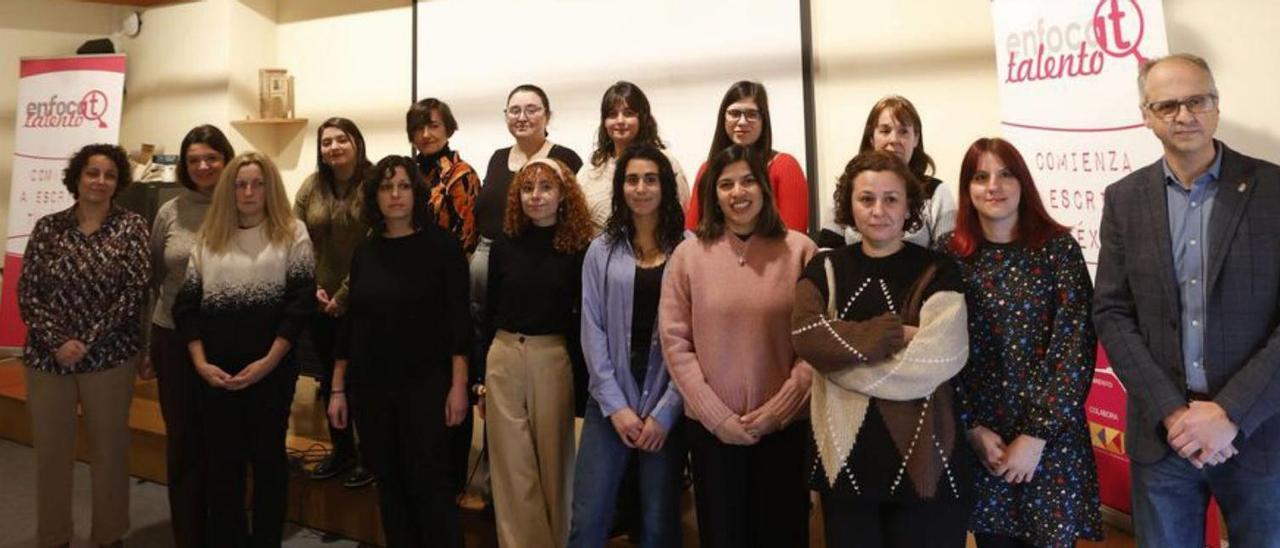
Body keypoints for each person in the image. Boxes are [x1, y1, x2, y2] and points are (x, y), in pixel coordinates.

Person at [1094, 53, 1280, 547]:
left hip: (1259, 434)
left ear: (1216, 106)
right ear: (1147, 114)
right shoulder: (1124, 199)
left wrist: (1229, 414)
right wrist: (1175, 414)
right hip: (1163, 439)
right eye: (1168, 104)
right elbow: (1111, 312)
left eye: (1197, 100)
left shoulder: (1274, 190)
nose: (1184, 115)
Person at [791, 150, 971, 548]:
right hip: (845, 461)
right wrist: (893, 333)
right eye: (866, 199)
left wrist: (839, 361)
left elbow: (941, 357)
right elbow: (807, 338)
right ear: (848, 205)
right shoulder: (824, 269)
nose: (878, 210)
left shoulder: (940, 270)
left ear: (909, 205)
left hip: (927, 461)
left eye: (891, 198)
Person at [940, 138, 1102, 547]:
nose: (993, 186)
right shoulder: (950, 256)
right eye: (980, 177)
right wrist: (971, 428)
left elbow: (1076, 347)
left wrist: (1036, 436)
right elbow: (939, 351)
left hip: (1050, 444)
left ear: (1022, 183)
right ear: (967, 189)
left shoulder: (1057, 249)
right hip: (984, 443)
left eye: (1005, 174)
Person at [660, 144, 816, 548]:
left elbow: (816, 347)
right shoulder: (687, 255)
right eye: (725, 184)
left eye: (748, 180)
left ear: (764, 188)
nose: (737, 192)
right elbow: (676, 344)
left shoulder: (800, 251)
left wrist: (778, 413)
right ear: (713, 194)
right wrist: (717, 417)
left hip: (785, 432)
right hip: (713, 434)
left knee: (783, 533)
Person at [326, 156, 470, 547]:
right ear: (374, 196)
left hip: (427, 385)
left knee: (431, 487)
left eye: (404, 186)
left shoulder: (443, 247)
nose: (395, 195)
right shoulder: (366, 250)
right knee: (389, 484)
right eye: (386, 187)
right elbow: (352, 322)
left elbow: (459, 323)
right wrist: (338, 388)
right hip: (372, 387)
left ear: (416, 193)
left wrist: (459, 387)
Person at [173, 151, 314, 548]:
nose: (249, 191)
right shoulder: (210, 237)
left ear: (270, 188)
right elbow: (187, 307)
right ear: (229, 189)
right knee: (223, 466)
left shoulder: (292, 232)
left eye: (257, 183)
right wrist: (201, 364)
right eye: (240, 183)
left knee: (269, 463)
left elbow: (299, 305)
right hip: (216, 375)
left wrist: (268, 362)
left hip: (271, 372)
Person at [18, 143, 150, 548]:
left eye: (109, 175)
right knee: (51, 454)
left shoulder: (132, 228)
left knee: (110, 452)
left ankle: (109, 535)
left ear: (119, 182)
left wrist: (87, 342)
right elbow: (29, 292)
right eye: (92, 172)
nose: (100, 181)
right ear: (77, 177)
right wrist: (59, 341)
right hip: (47, 357)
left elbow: (134, 292)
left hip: (109, 358)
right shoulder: (47, 227)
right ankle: (54, 536)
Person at [568, 146, 688, 548]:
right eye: (632, 179)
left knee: (658, 525)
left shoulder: (688, 250)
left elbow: (697, 339)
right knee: (589, 519)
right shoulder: (600, 250)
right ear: (620, 188)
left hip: (667, 407)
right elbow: (592, 328)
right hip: (608, 403)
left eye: (650, 179)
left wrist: (666, 413)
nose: (640, 188)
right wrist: (616, 407)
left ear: (665, 187)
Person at [479, 158, 594, 548]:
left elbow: (583, 320)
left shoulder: (580, 248)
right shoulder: (505, 244)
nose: (537, 196)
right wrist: (482, 377)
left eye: (546, 187)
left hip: (553, 357)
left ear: (564, 195)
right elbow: (490, 309)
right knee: (512, 466)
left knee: (554, 464)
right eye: (528, 189)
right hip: (504, 353)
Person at [146, 124, 235, 548]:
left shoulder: (245, 204)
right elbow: (155, 276)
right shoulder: (171, 210)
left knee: (224, 439)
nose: (203, 166)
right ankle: (189, 534)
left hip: (229, 340)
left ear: (226, 160)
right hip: (174, 338)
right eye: (194, 159)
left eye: (211, 158)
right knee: (182, 439)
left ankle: (224, 528)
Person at [471, 83, 584, 410]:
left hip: (538, 270)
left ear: (547, 115)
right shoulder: (496, 158)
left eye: (532, 109)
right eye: (514, 110)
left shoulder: (564, 158)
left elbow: (574, 217)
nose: (522, 117)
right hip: (492, 263)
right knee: (487, 342)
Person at [406, 97, 482, 499]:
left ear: (448, 128)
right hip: (408, 299)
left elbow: (464, 242)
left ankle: (452, 479)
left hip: (447, 294)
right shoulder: (407, 174)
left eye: (433, 126)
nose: (426, 134)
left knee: (452, 386)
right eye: (418, 128)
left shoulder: (462, 175)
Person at [294, 117, 374, 487]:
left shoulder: (374, 184)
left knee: (362, 381)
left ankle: (371, 457)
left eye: (342, 139)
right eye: (327, 142)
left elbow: (377, 244)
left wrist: (344, 294)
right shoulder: (312, 187)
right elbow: (293, 238)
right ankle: (342, 450)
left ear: (356, 142)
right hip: (319, 300)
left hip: (364, 300)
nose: (334, 147)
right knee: (329, 379)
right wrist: (311, 287)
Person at [818, 95, 956, 249]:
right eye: (885, 131)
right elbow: (826, 252)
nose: (894, 139)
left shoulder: (937, 193)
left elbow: (948, 258)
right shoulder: (847, 188)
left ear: (916, 138)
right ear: (871, 138)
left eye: (903, 132)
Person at [683, 81, 809, 232]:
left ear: (764, 120)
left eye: (751, 114)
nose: (742, 122)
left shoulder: (784, 166)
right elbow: (691, 233)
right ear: (723, 118)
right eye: (735, 114)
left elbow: (794, 240)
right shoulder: (707, 169)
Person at [578, 81, 690, 230]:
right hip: (599, 251)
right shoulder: (593, 166)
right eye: (612, 115)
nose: (620, 121)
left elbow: (681, 213)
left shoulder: (665, 162)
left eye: (628, 113)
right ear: (604, 122)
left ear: (642, 118)